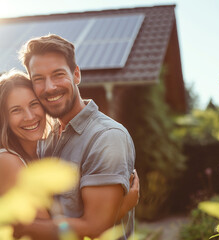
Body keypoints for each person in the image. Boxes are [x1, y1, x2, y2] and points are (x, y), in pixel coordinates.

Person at [0, 69, 138, 229]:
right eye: (16, 110)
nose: (30, 116)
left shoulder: (40, 154)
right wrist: (118, 210)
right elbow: (51, 234)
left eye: (34, 104)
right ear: (4, 119)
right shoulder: (7, 161)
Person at [12, 34, 137, 240]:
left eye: (58, 74)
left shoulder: (107, 139)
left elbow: (96, 229)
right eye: (39, 79)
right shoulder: (43, 137)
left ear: (76, 75)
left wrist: (22, 227)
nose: (50, 87)